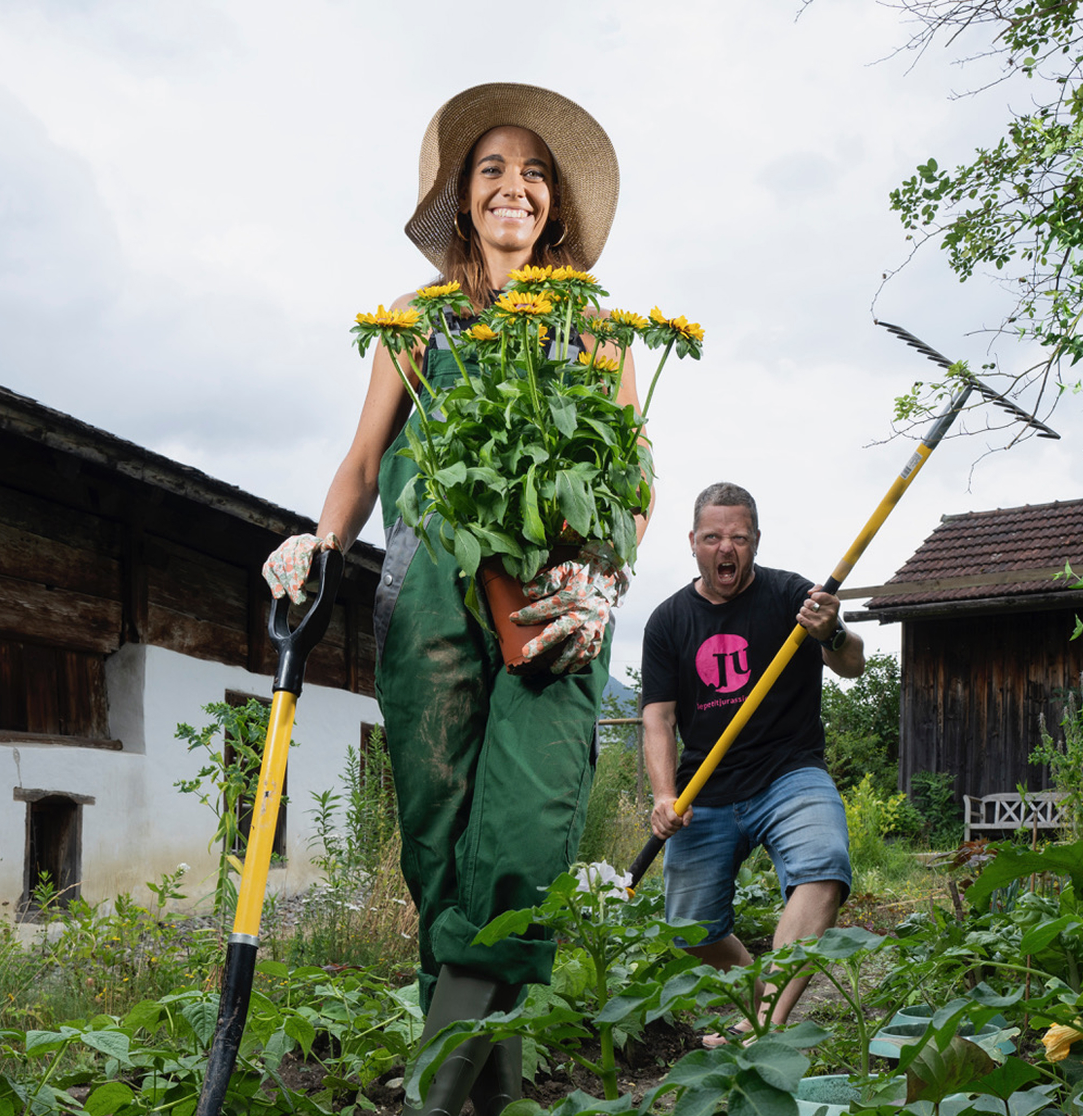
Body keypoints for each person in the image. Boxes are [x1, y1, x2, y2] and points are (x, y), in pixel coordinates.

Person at [260, 83, 640, 1116]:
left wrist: (603, 576)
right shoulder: (415, 322)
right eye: (491, 169)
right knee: (440, 856)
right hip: (423, 600)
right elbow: (360, 461)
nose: (512, 185)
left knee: (520, 840)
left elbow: (632, 481)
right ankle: (492, 1096)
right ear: (460, 199)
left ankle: (430, 1101)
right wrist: (317, 539)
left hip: (549, 609)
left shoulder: (596, 324)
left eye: (532, 172)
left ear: (554, 206)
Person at [639, 482, 866, 1042]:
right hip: (706, 786)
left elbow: (852, 665)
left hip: (789, 773)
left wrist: (832, 630)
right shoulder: (668, 622)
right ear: (693, 541)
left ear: (755, 541)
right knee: (691, 930)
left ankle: (767, 1025)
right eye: (713, 537)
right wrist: (664, 795)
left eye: (738, 537)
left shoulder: (794, 598)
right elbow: (658, 720)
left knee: (823, 865)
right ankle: (763, 990)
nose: (726, 549)